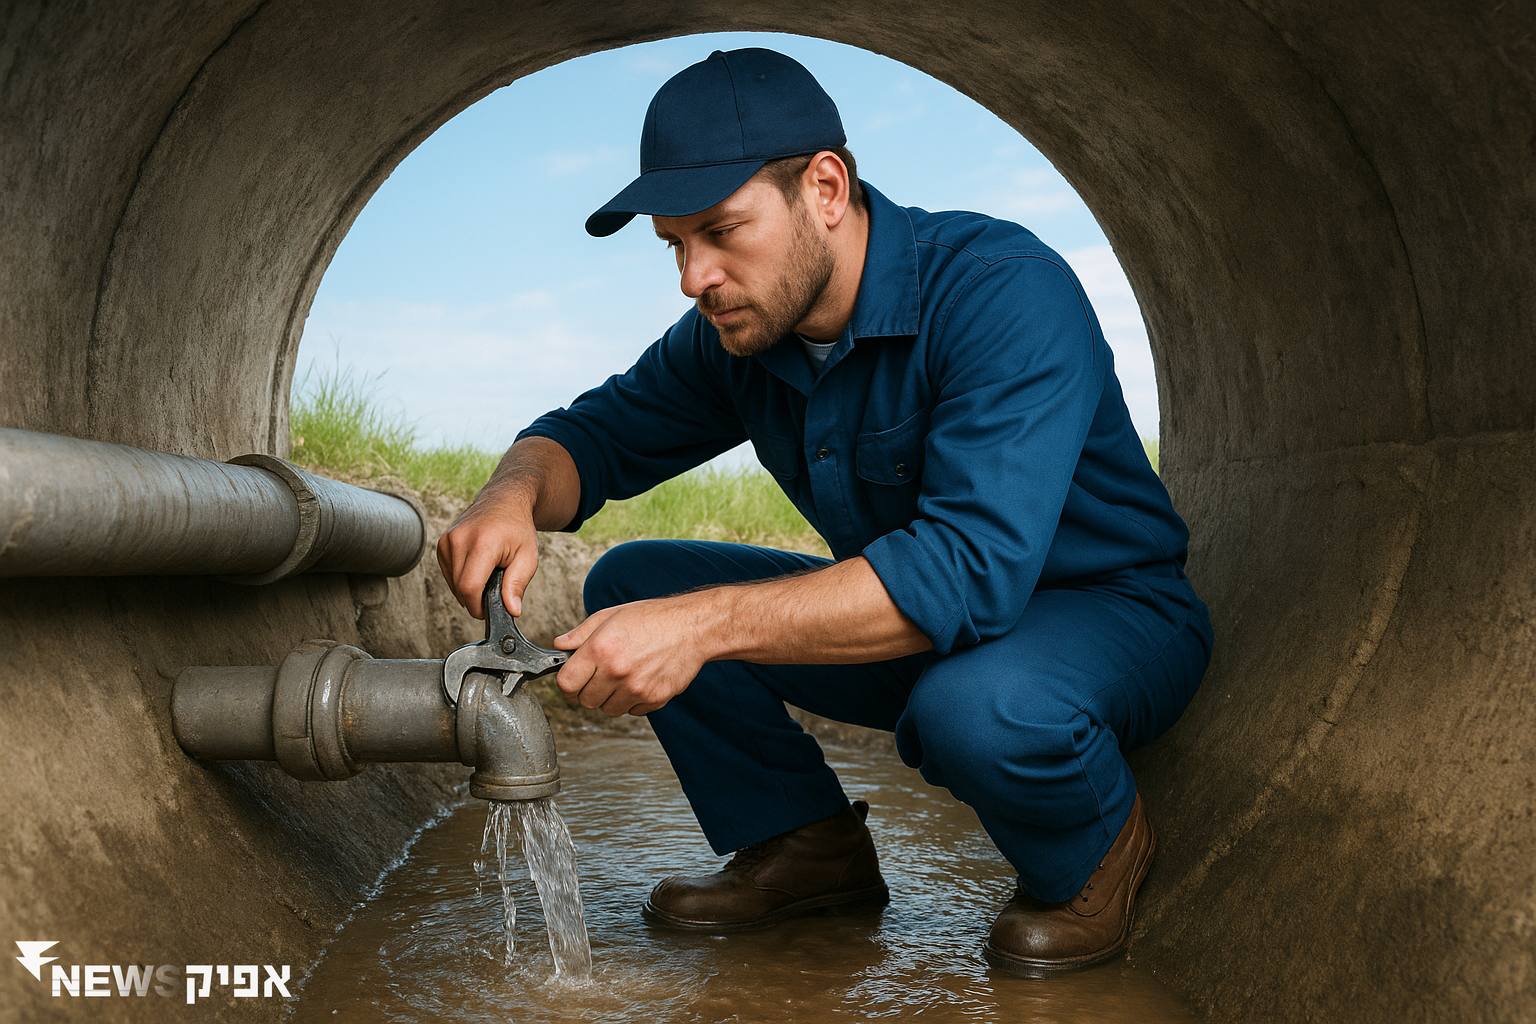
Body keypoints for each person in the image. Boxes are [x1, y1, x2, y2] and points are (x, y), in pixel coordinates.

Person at [438, 47, 1213, 976]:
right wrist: (510, 494)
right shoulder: (737, 332)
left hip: (1107, 616)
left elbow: (968, 569)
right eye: (675, 246)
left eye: (723, 232)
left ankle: (1097, 849)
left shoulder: (1004, 288)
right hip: (931, 632)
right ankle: (810, 850)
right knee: (634, 581)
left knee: (976, 707)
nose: (694, 276)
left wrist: (701, 627)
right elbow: (587, 438)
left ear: (827, 187)